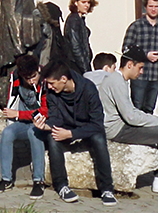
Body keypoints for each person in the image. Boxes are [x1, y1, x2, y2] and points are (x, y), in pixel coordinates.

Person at [85, 49, 158, 202]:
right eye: (140, 68)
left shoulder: (119, 81)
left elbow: (131, 113)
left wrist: (156, 121)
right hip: (117, 130)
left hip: (120, 126)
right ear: (129, 65)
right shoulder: (116, 81)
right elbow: (131, 117)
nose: (142, 72)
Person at [34, 60, 117, 206]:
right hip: (65, 128)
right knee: (52, 138)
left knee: (99, 138)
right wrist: (46, 126)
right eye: (48, 83)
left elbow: (97, 124)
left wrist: (72, 134)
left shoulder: (88, 88)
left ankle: (106, 189)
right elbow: (55, 117)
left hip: (87, 129)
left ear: (64, 79)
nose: (49, 87)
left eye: (52, 83)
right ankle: (61, 186)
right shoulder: (53, 93)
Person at [0, 54, 49, 200]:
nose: (31, 81)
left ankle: (38, 180)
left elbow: (45, 111)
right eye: (26, 78)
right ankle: (6, 179)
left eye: (33, 76)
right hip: (23, 120)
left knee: (33, 133)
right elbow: (12, 98)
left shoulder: (46, 80)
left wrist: (18, 114)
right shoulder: (15, 78)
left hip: (42, 123)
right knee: (8, 133)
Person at [122, 0, 158, 113]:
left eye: (156, 6)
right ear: (145, 7)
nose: (153, 9)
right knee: (136, 108)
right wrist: (145, 56)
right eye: (151, 6)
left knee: (150, 109)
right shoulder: (136, 26)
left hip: (156, 74)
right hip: (139, 75)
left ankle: (148, 132)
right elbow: (126, 50)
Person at [64, 0, 97, 74]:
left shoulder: (79, 19)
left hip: (80, 64)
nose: (87, 5)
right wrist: (85, 69)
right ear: (76, 3)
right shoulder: (74, 20)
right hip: (77, 66)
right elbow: (75, 46)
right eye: (83, 2)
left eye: (88, 2)